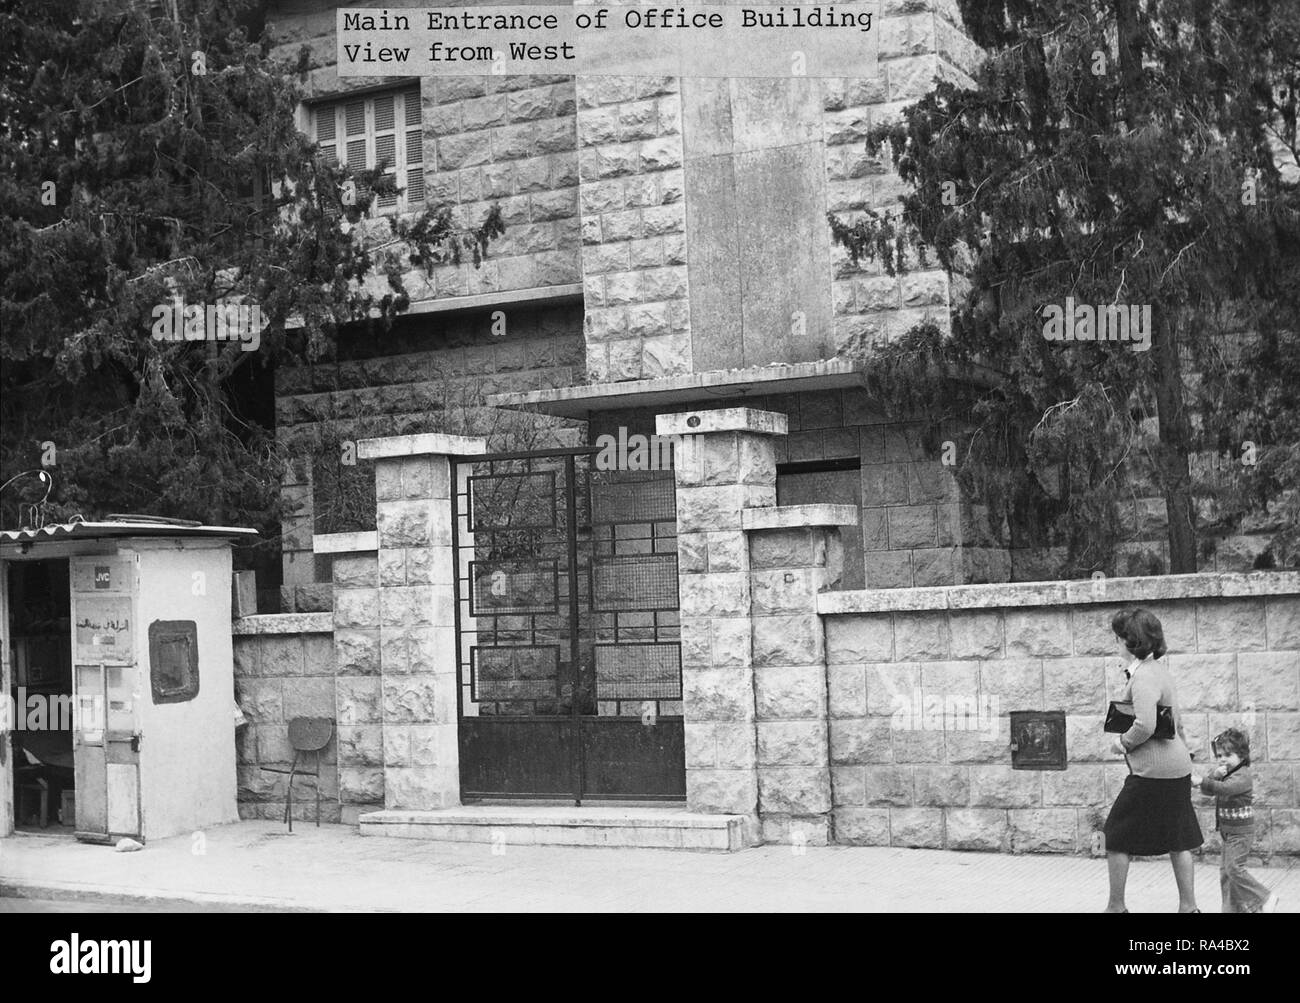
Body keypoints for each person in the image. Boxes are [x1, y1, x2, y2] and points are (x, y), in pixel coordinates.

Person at [1102, 608, 1202, 913]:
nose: (1116, 644)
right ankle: (1189, 908)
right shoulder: (1160, 670)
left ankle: (1116, 908)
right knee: (1178, 837)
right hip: (1176, 767)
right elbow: (1177, 723)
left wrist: (1122, 743)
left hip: (1153, 772)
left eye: (1118, 639)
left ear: (1129, 642)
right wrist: (1189, 760)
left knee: (1116, 834)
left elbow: (1145, 725)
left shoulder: (1144, 677)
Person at [1192, 728, 1280, 914]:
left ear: (1241, 755)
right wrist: (1212, 776)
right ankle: (1232, 909)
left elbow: (1225, 789)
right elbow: (1208, 791)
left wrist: (1202, 781)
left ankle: (1264, 898)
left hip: (1241, 832)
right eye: (1219, 755)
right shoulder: (1226, 774)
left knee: (1234, 869)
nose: (1222, 759)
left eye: (1228, 755)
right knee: (1226, 873)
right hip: (1228, 831)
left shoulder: (1243, 775)